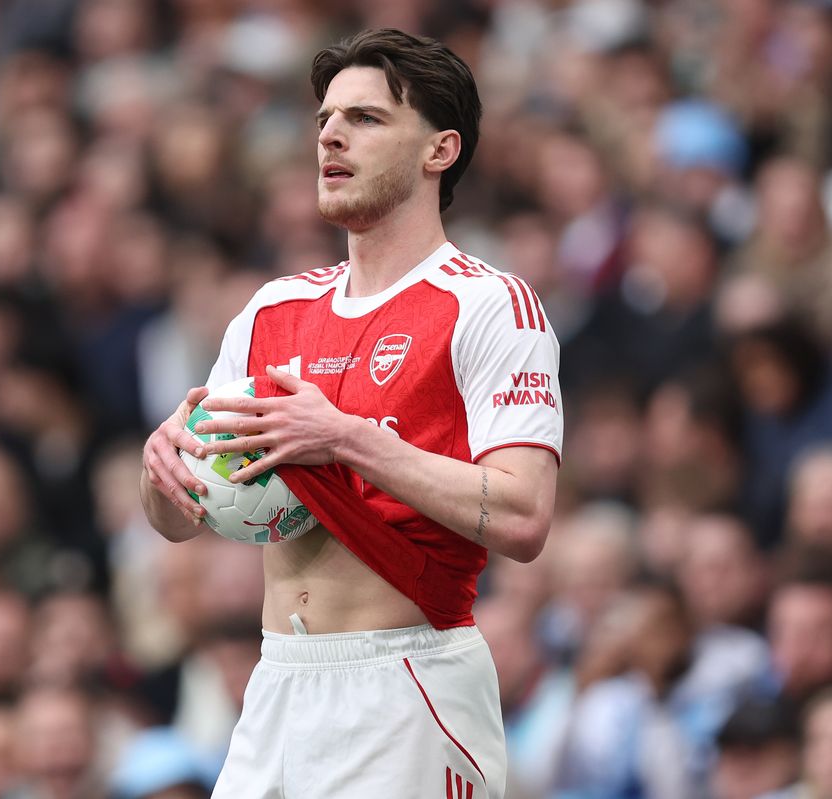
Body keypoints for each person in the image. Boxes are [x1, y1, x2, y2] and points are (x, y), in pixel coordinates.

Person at [140, 27, 563, 798]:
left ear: (440, 150)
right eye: (325, 120)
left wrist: (342, 438)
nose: (331, 134)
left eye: (366, 118)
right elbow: (181, 519)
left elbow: (525, 516)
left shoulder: (488, 303)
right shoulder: (272, 310)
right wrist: (162, 467)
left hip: (409, 679)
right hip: (278, 683)